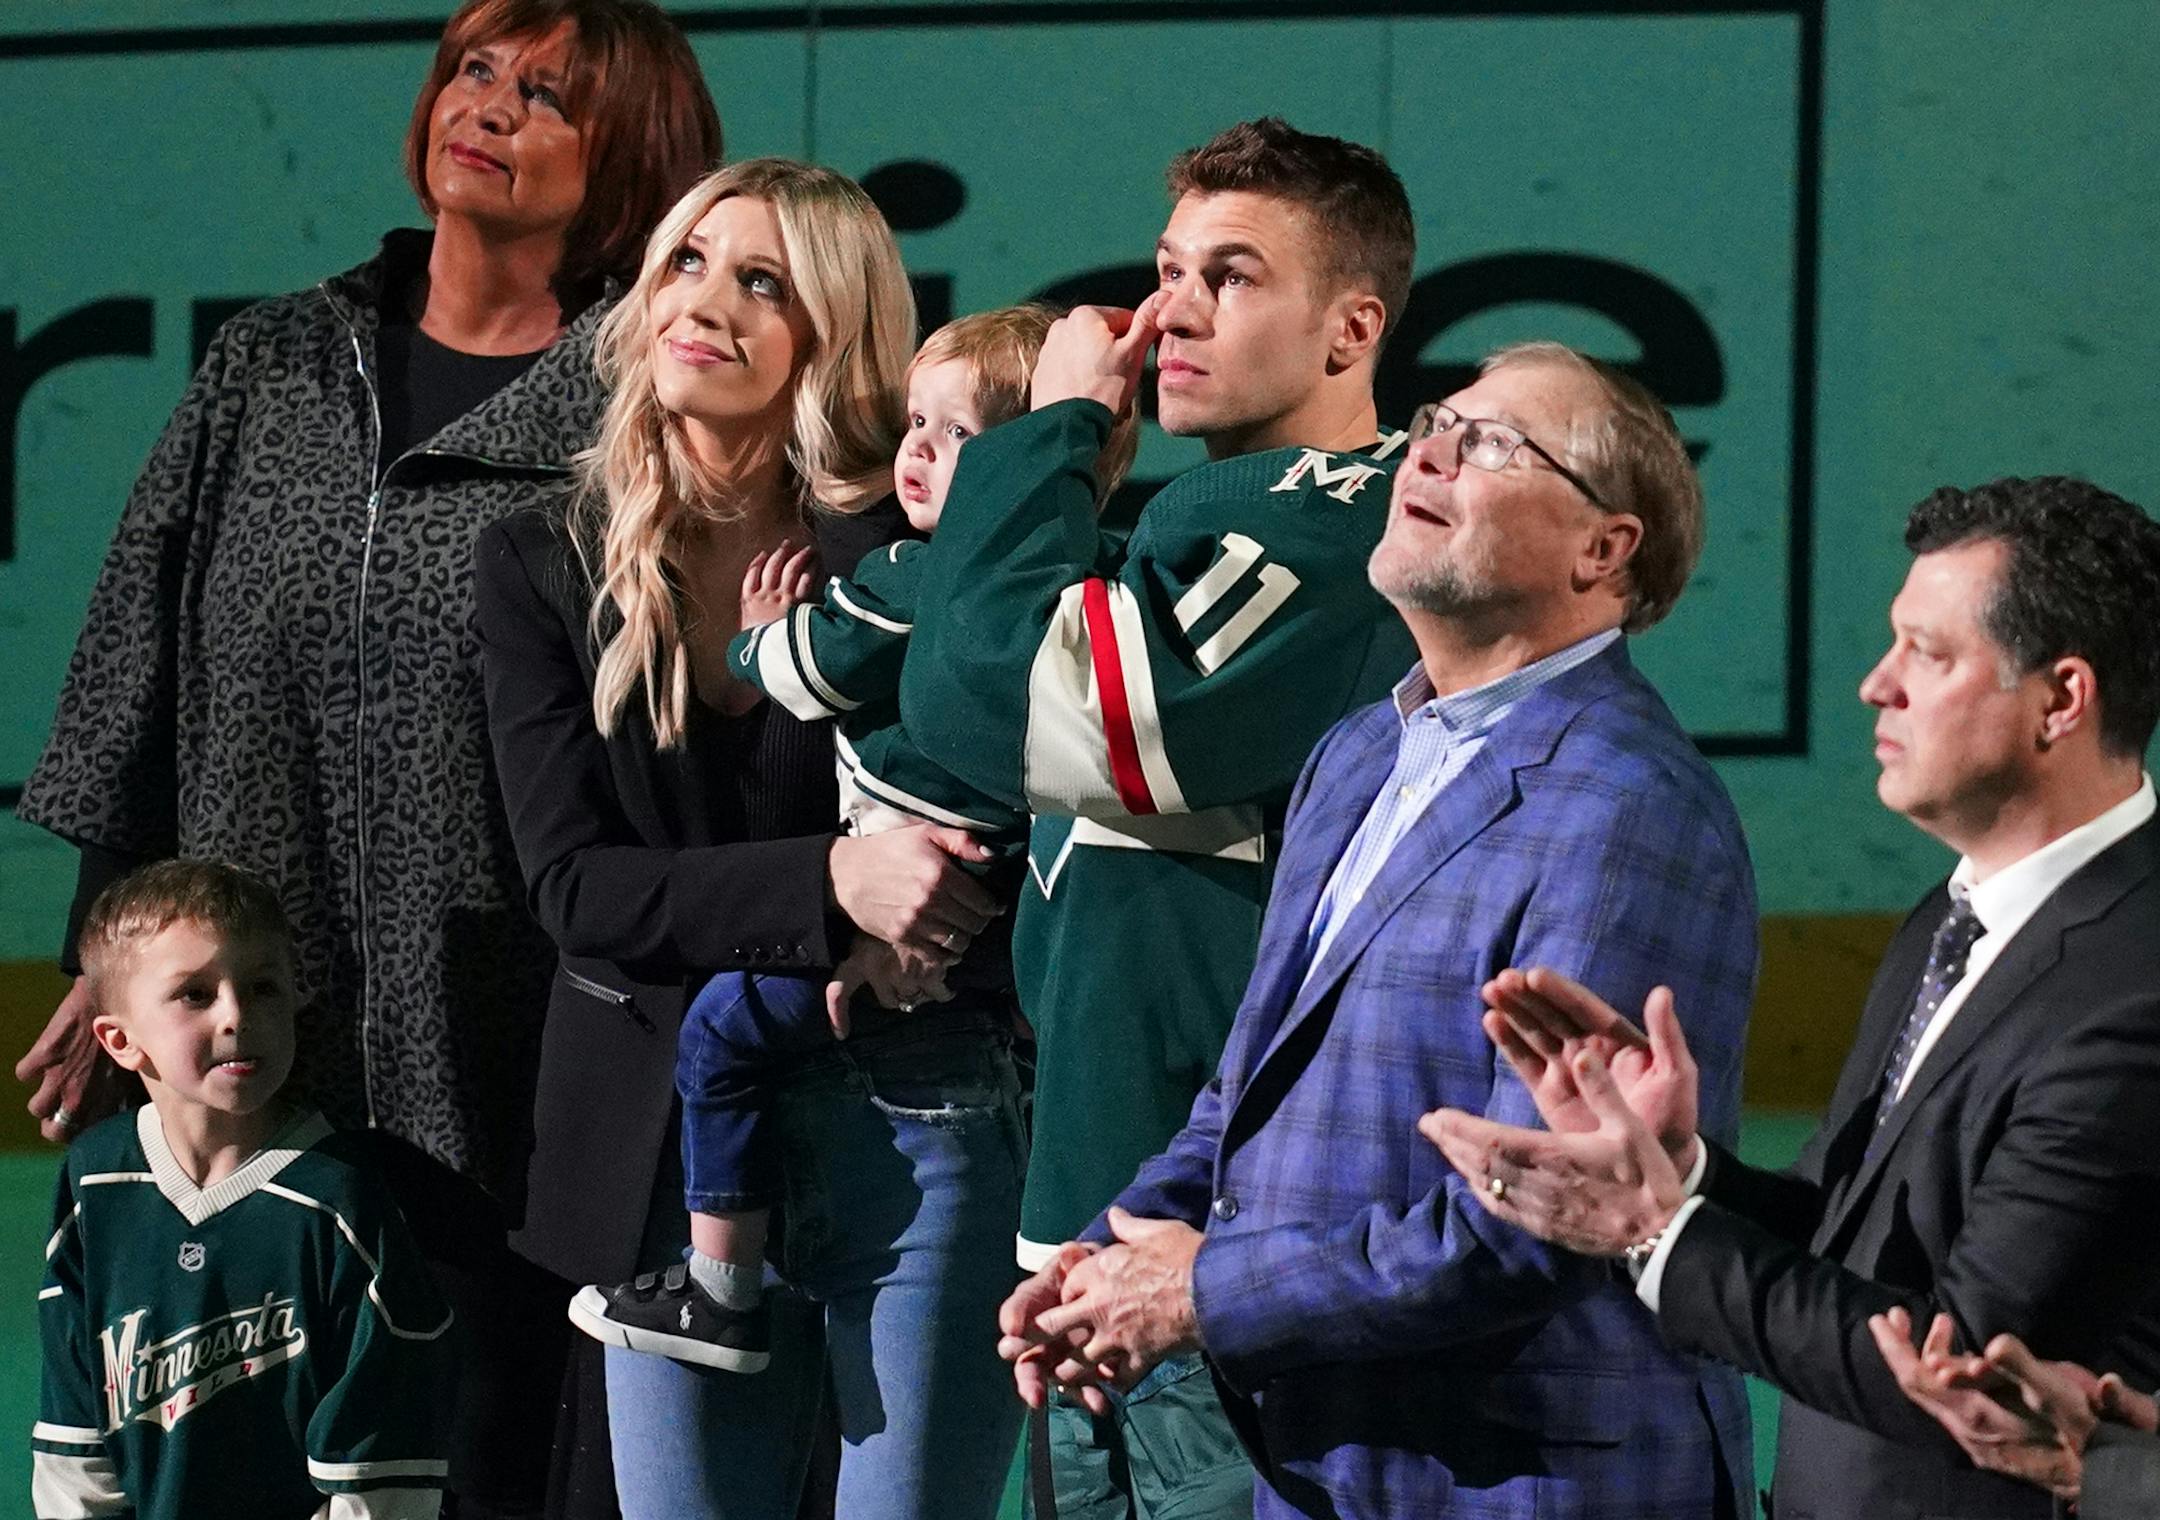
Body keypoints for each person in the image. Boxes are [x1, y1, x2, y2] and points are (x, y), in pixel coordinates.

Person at [14, 3, 719, 1514]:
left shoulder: (641, 406)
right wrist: (111, 939)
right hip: (262, 1036)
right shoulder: (272, 358)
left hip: (516, 1047)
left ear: (629, 159)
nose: (488, 109)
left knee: (473, 1454)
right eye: (473, 71)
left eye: (546, 97)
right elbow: (135, 639)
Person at [1000, 342, 1759, 1518]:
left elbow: (1545, 1217)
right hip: (1324, 1467)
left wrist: (1202, 1294)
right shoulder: (1362, 752)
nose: (1436, 446)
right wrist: (1107, 1255)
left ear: (1605, 549)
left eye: (1498, 441)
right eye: (1440, 417)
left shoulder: (1624, 805)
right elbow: (1243, 1096)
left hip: (1521, 1483)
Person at [1423, 476, 2160, 1519]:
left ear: (2062, 698)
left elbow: (1961, 1368)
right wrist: (1680, 1167)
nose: (1876, 683)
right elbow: (1842, 1224)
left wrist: (1656, 1233)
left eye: (1930, 653)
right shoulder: (1953, 915)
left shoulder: (2135, 988)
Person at [475, 159, 1025, 1520]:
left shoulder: (907, 550)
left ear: (830, 336)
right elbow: (577, 887)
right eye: (687, 263)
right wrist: (832, 880)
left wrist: (943, 912)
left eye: (761, 281)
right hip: (660, 1153)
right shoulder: (540, 556)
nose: (704, 304)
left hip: (913, 1118)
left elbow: (1006, 811)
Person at [899, 117, 1419, 1518]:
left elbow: (977, 699)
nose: (1168, 309)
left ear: (1349, 329)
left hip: (1217, 1257)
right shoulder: (1196, 523)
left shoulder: (1330, 530)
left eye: (1230, 277)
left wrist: (1054, 434)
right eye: (1169, 267)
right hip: (1105, 1216)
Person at [565, 304, 1138, 1371]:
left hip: (925, 952)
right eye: (914, 423)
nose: (915, 451)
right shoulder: (1099, 572)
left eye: (956, 434)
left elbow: (801, 671)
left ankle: (716, 1286)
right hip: (1000, 939)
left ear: (1033, 459)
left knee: (718, 1035)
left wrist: (756, 633)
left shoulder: (922, 577)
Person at [34, 860, 451, 1520]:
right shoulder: (96, 1180)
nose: (236, 1015)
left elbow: (379, 1486)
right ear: (119, 1040)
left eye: (262, 988)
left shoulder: (342, 1204)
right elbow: (75, 1450)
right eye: (195, 995)